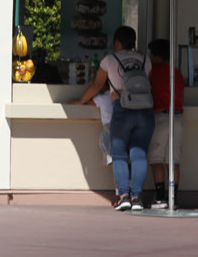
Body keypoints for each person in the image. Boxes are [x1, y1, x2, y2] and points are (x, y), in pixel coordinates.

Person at [73, 25, 153, 211]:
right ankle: (137, 199)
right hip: (145, 110)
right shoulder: (145, 59)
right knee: (139, 154)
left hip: (122, 109)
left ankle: (124, 196)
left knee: (118, 154)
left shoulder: (109, 60)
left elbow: (96, 85)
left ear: (117, 42)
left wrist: (81, 102)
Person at [146, 39, 184, 209]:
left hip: (160, 115)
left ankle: (160, 197)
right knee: (173, 160)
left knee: (156, 158)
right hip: (177, 116)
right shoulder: (176, 72)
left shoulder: (151, 71)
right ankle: (173, 197)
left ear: (155, 55)